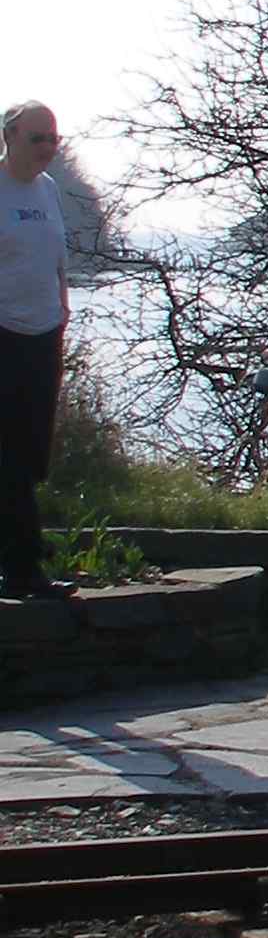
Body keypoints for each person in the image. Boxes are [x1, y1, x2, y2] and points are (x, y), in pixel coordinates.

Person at [1, 101, 73, 601]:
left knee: (32, 455)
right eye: (37, 138)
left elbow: (56, 259)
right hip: (4, 332)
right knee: (8, 456)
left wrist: (63, 307)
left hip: (44, 334)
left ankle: (23, 562)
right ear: (9, 137)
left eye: (54, 138)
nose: (48, 147)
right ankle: (23, 569)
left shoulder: (47, 190)